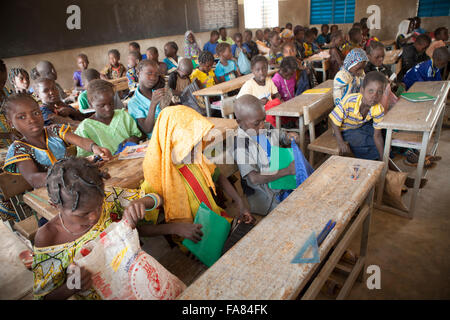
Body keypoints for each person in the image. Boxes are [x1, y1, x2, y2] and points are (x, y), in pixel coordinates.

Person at [32, 157, 165, 300]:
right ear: (55, 205)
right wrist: (70, 288)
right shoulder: (48, 238)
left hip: (142, 285)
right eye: (84, 214)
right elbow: (43, 297)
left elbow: (157, 199)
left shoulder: (107, 197)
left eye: (99, 205)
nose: (94, 216)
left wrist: (141, 202)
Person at [141, 105, 254, 248]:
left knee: (251, 235)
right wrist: (175, 228)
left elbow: (219, 177)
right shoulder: (157, 179)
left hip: (217, 223)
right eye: (191, 145)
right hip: (194, 242)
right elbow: (141, 228)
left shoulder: (196, 160)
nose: (199, 149)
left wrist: (239, 202)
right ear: (172, 142)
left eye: (199, 143)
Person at [2, 94, 111, 188]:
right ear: (11, 123)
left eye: (36, 113)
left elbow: (81, 141)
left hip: (76, 183)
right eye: (22, 117)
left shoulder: (54, 130)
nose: (31, 119)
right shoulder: (19, 149)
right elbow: (33, 178)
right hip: (51, 194)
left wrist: (95, 148)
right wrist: (70, 174)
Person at [232, 94, 301, 215]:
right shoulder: (241, 145)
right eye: (256, 123)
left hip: (283, 184)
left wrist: (289, 136)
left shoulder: (265, 128)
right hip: (268, 199)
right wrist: (288, 171)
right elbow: (254, 179)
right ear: (240, 122)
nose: (262, 125)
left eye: (264, 119)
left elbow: (281, 136)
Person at [74, 80, 143, 157]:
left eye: (111, 103)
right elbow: (85, 157)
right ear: (90, 104)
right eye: (102, 105)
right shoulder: (85, 128)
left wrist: (134, 138)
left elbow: (138, 135)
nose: (108, 108)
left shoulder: (123, 115)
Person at [329, 71, 387, 160]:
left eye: (379, 92)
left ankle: (383, 159)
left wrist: (383, 157)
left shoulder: (378, 109)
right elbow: (333, 121)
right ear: (362, 91)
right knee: (364, 140)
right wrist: (341, 142)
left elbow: (377, 135)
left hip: (359, 126)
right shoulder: (349, 101)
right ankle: (373, 161)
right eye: (370, 91)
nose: (374, 96)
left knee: (383, 134)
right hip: (344, 129)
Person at [127, 60, 166, 139]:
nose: (153, 78)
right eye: (149, 73)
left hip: (170, 132)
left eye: (156, 74)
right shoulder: (133, 103)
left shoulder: (157, 92)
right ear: (138, 74)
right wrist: (153, 104)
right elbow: (147, 129)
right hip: (155, 140)